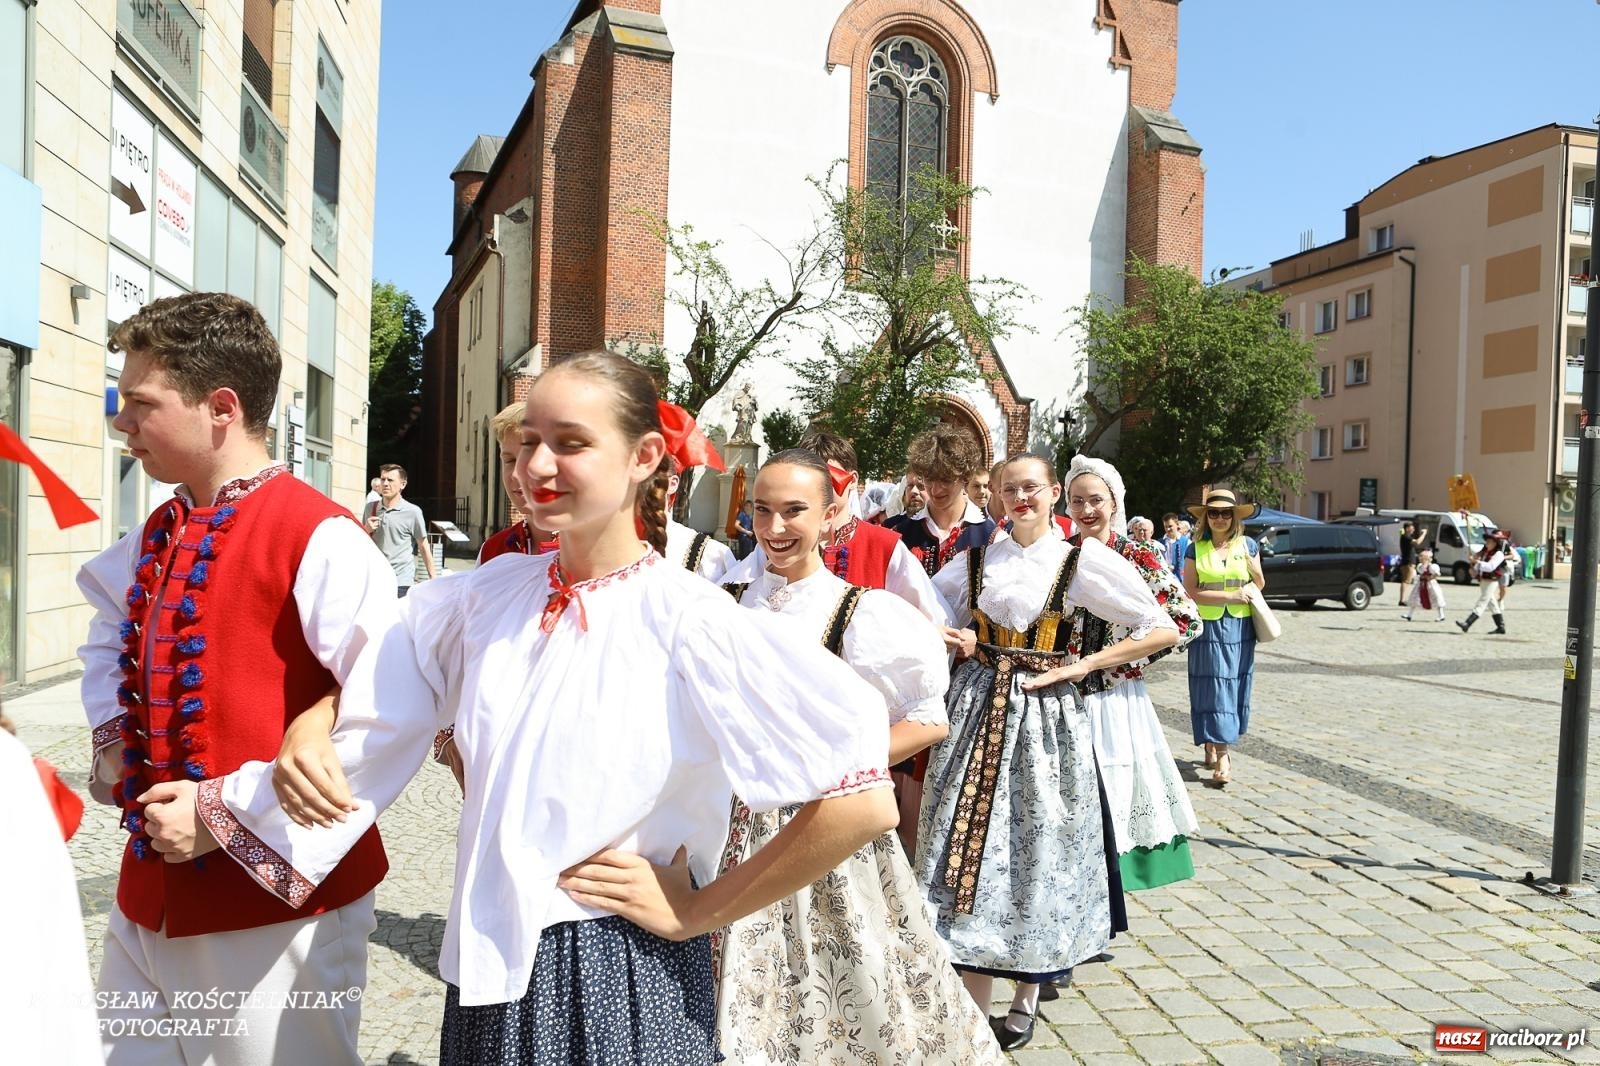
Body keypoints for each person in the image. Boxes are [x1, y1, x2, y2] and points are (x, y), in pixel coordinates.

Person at [269, 350, 899, 1064]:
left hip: (612, 966)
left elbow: (863, 800)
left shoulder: (689, 617)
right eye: (530, 440)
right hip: (490, 950)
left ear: (644, 457)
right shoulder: (492, 592)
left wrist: (698, 908)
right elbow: (386, 658)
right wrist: (318, 715)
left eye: (571, 443)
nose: (537, 465)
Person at [75, 292, 399, 1064]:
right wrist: (114, 744)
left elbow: (387, 709)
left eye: (140, 402)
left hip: (274, 910)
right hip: (147, 896)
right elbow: (105, 638)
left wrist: (224, 813)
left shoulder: (318, 534)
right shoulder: (156, 531)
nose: (122, 420)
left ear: (220, 407)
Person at [716, 449, 1003, 1065]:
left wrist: (833, 767)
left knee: (840, 974)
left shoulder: (858, 611)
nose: (775, 528)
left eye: (795, 511)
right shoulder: (724, 597)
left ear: (830, 514)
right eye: (762, 511)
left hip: (822, 820)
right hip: (723, 822)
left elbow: (929, 720)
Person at [918, 453, 1179, 1052]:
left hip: (1044, 718)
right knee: (969, 845)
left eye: (1031, 488)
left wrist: (1082, 665)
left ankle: (1026, 995)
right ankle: (971, 1001)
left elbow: (1159, 625)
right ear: (997, 496)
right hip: (977, 708)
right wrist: (955, 636)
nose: (1021, 499)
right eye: (1010, 490)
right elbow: (920, 614)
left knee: (1040, 846)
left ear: (1053, 492)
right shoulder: (978, 560)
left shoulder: (1080, 561)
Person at [1066, 459, 1203, 887]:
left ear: (1114, 503)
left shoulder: (1136, 555)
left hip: (1113, 697)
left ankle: (1112, 889)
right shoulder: (1061, 552)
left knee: (1115, 789)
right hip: (1063, 695)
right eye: (1077, 501)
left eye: (1095, 500)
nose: (1087, 509)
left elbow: (1184, 620)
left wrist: (1122, 661)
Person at [724, 430, 947, 623]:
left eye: (829, 479)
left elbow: (929, 621)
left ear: (852, 480)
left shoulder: (884, 547)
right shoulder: (775, 544)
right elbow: (730, 598)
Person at [1183, 488, 1265, 787]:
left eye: (1226, 513)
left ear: (1234, 518)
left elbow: (1259, 583)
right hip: (1208, 625)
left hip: (1241, 626)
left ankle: (1215, 740)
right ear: (1206, 517)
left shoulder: (1248, 545)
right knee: (1213, 685)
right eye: (1214, 513)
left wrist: (1254, 569)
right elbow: (1190, 590)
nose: (1219, 518)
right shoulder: (1195, 548)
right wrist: (1229, 593)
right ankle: (1221, 752)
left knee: (1234, 684)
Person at [887, 424, 996, 577]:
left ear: (965, 477)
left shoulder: (991, 537)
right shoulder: (899, 533)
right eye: (929, 479)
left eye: (946, 480)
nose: (936, 490)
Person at [478, 402, 558, 563]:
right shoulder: (493, 550)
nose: (515, 474)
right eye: (510, 460)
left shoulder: (597, 549)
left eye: (530, 459)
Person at [368, 463, 437, 595]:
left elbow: (423, 545)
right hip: (375, 579)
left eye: (390, 480)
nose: (385, 484)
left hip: (401, 581)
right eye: (383, 479)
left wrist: (433, 578)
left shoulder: (413, 512)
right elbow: (362, 541)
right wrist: (366, 529)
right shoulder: (370, 508)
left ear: (403, 484)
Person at [1456, 533, 1510, 634]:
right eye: (1487, 542)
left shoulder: (1499, 554)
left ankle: (1467, 623)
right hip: (1483, 580)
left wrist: (1476, 562)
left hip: (1492, 581)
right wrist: (1473, 568)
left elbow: (1490, 567)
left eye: (1489, 542)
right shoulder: (1486, 553)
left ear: (1495, 543)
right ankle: (1501, 626)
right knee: (1492, 603)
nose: (1487, 544)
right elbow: (1479, 566)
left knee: (1482, 601)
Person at [1403, 548, 1446, 621]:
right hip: (1421, 584)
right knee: (1415, 597)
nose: (1420, 558)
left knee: (1436, 597)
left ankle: (1441, 615)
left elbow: (1438, 574)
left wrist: (1430, 577)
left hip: (1431, 585)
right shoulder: (1420, 566)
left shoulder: (1432, 566)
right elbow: (1420, 572)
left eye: (1421, 557)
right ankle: (1409, 615)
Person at [1396, 520, 1420, 605]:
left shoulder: (1405, 537)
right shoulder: (1406, 537)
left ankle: (1403, 599)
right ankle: (1402, 600)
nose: (1413, 529)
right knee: (1406, 581)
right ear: (1407, 529)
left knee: (1406, 581)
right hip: (1408, 562)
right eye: (1411, 527)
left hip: (1406, 561)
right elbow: (1417, 542)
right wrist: (1424, 534)